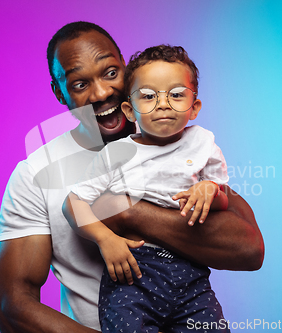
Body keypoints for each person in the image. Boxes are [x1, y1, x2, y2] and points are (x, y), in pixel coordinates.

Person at [0, 21, 264, 333]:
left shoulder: (182, 142)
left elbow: (248, 249)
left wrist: (130, 213)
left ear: (127, 69)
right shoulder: (36, 174)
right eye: (80, 84)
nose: (101, 92)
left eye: (110, 73)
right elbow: (14, 307)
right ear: (59, 92)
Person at [63, 44, 231, 332]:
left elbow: (224, 199)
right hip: (135, 271)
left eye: (176, 95)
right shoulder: (117, 154)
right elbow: (73, 203)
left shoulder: (203, 143)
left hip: (191, 274)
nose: (163, 104)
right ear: (130, 110)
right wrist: (105, 239)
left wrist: (210, 191)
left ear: (195, 107)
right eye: (149, 96)